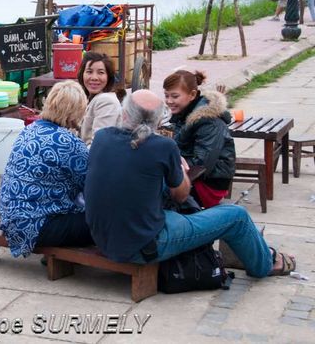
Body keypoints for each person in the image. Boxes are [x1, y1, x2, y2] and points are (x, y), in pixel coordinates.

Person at [85, 89, 296, 277]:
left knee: (173, 208)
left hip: (104, 239)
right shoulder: (163, 146)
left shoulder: (102, 137)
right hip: (143, 246)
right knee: (235, 216)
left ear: (124, 114)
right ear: (158, 122)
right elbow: (181, 194)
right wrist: (182, 170)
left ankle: (257, 250)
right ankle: (265, 264)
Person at [0, 81, 93, 258]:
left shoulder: (29, 130)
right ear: (75, 112)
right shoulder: (70, 144)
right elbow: (91, 187)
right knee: (102, 221)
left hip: (9, 218)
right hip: (37, 226)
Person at [163, 70, 235, 209]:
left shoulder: (208, 121)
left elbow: (202, 164)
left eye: (175, 96)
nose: (169, 101)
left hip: (208, 184)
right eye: (166, 96)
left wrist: (169, 166)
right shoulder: (185, 115)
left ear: (192, 95)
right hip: (194, 176)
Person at [77, 52, 122, 146]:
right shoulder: (89, 98)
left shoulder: (106, 101)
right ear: (82, 74)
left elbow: (98, 145)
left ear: (108, 77)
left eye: (101, 73)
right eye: (89, 72)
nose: (94, 78)